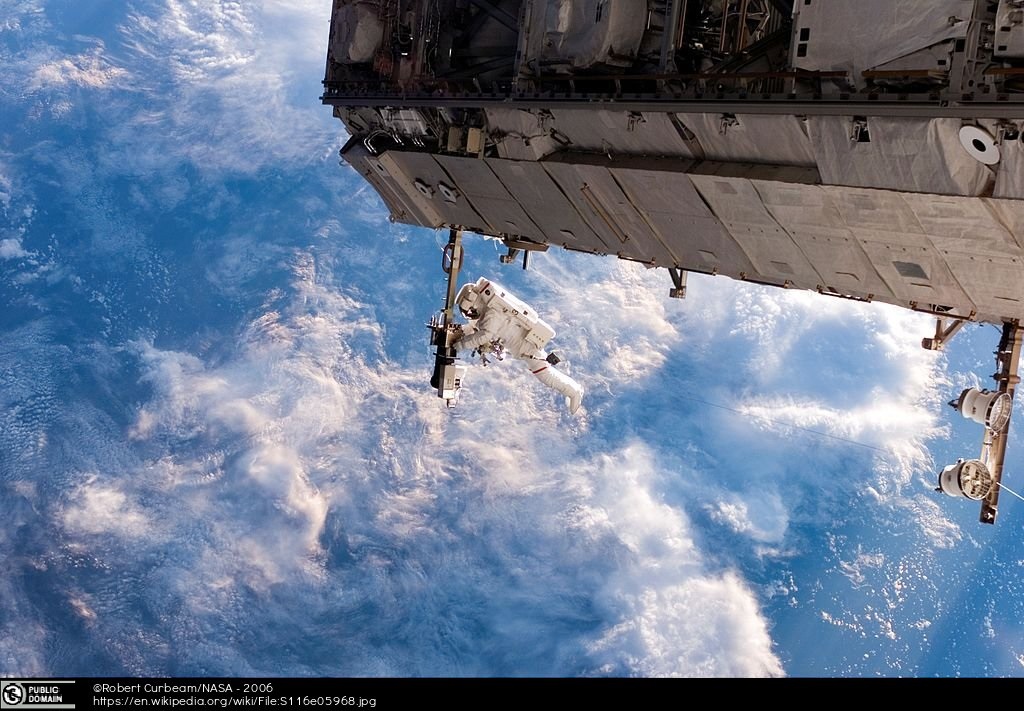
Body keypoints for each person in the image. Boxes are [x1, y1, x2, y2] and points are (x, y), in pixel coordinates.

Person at [452, 277, 583, 415]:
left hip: (528, 347)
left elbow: (485, 335)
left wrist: (461, 345)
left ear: (474, 302)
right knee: (545, 374)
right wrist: (455, 333)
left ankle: (575, 391)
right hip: (523, 347)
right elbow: (473, 329)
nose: (470, 314)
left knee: (546, 376)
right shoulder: (487, 313)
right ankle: (573, 390)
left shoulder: (492, 312)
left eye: (470, 310)